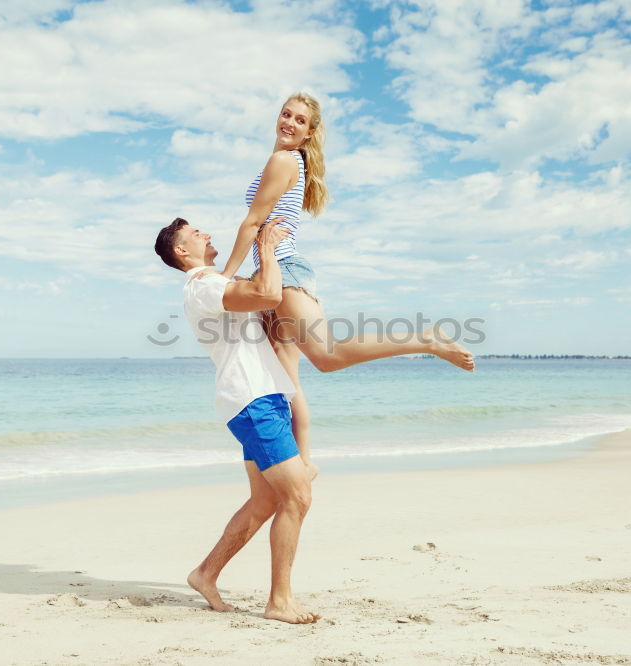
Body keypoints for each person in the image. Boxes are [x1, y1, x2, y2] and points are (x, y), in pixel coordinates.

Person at [214, 92, 475, 478]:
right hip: (271, 273)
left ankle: (427, 339)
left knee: (326, 355)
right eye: (286, 114)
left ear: (309, 132)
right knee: (285, 375)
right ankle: (303, 460)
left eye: (300, 120)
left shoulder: (283, 160)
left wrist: (223, 278)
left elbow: (252, 224)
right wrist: (249, 275)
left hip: (283, 270)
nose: (289, 122)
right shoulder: (289, 162)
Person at [154, 216, 319, 625]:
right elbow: (267, 293)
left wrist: (257, 244)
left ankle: (205, 573)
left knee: (267, 501)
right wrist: (266, 243)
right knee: (297, 498)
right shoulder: (204, 285)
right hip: (253, 401)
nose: (206, 234)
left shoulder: (211, 282)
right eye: (196, 234)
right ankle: (279, 601)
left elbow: (248, 286)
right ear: (181, 251)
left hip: (260, 397)